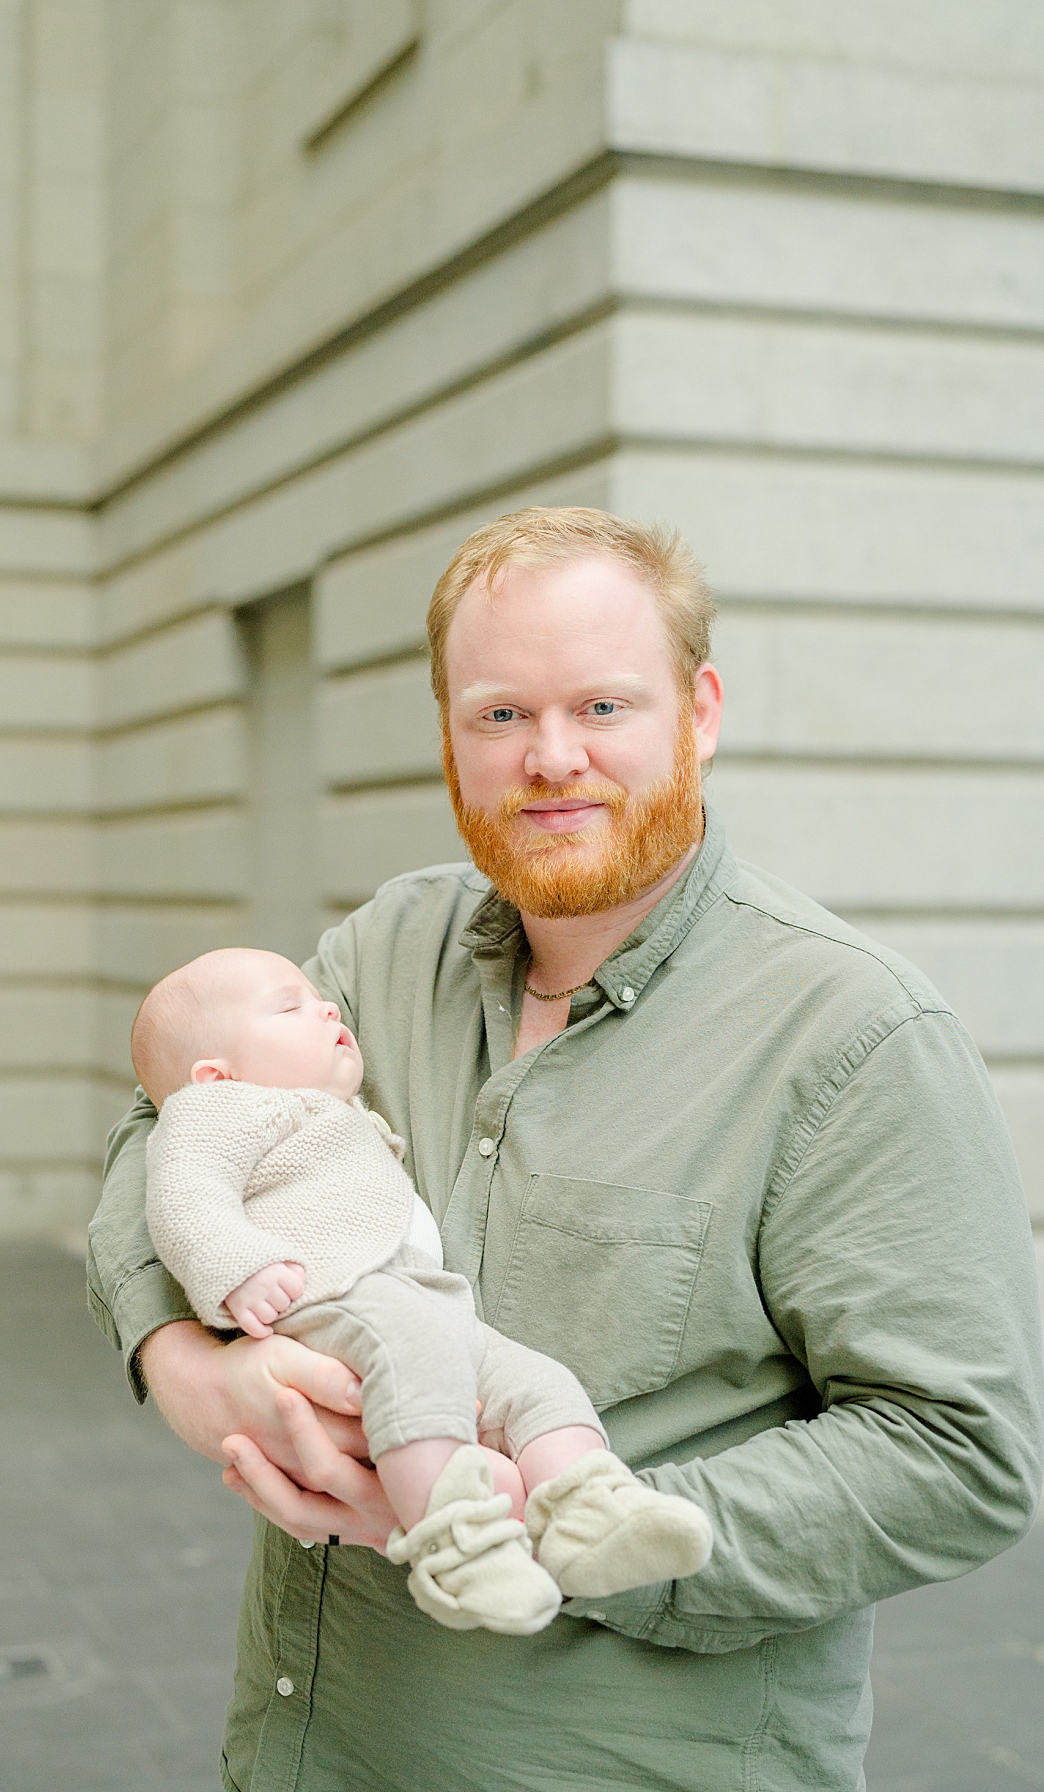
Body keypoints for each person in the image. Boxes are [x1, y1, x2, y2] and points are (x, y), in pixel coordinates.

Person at [87, 506, 1044, 1789]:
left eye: (602, 707)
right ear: (449, 735)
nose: (551, 760)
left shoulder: (858, 1035)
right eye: (499, 715)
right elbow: (172, 1126)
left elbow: (959, 1454)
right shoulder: (385, 949)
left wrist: (560, 1533)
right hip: (313, 1751)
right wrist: (189, 1370)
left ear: (698, 712)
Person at [136, 945, 711, 1635]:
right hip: (330, 1292)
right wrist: (239, 1268)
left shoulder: (329, 1111)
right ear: (215, 1075)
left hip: (422, 1298)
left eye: (318, 997)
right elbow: (183, 1197)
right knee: (417, 1372)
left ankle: (589, 1504)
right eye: (289, 1007)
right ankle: (455, 1544)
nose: (325, 1006)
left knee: (535, 1380)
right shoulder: (215, 1113)